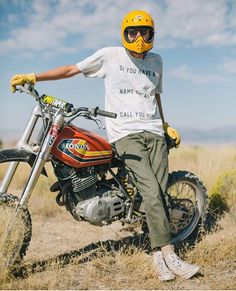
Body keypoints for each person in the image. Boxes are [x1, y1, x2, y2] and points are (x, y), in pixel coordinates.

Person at [10, 10, 200, 281]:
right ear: (124, 33)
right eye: (132, 32)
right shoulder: (110, 56)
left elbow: (154, 96)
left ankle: (157, 254)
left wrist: (166, 124)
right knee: (151, 191)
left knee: (155, 192)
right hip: (126, 135)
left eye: (144, 31)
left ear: (151, 34)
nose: (138, 37)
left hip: (155, 134)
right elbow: (71, 69)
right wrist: (35, 77)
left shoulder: (157, 61)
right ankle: (170, 254)